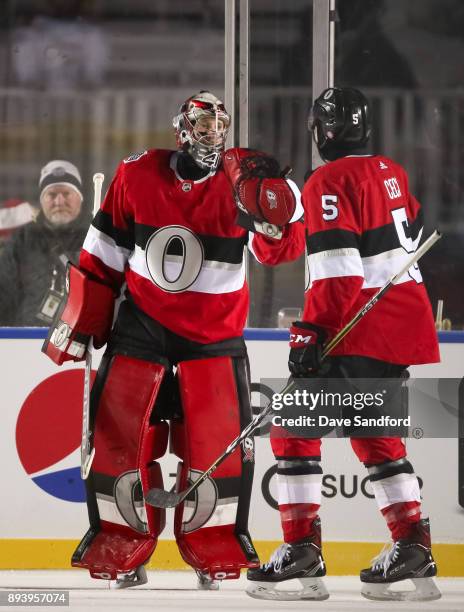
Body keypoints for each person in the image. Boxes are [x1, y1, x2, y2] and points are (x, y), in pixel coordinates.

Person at [42, 91, 305, 589]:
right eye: (202, 125)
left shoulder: (241, 183)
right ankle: (122, 544)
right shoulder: (137, 172)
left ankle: (213, 544)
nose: (211, 134)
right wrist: (81, 323)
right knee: (120, 442)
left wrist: (276, 214)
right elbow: (103, 251)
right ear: (180, 129)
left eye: (218, 125)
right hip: (142, 328)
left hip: (214, 338)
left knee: (216, 449)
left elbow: (281, 250)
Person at [247, 87, 441, 602]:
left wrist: (310, 333)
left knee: (291, 429)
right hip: (397, 325)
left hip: (356, 326)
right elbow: (292, 245)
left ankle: (301, 555)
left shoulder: (328, 178)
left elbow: (339, 271)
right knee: (376, 438)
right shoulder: (390, 171)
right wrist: (271, 220)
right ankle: (413, 552)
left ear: (320, 132)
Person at [0, 160, 89, 326]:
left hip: (83, 343)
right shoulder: (23, 241)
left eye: (66, 193)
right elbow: (3, 294)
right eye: (52, 195)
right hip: (26, 343)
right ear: (42, 201)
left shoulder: (97, 240)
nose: (59, 201)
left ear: (80, 198)